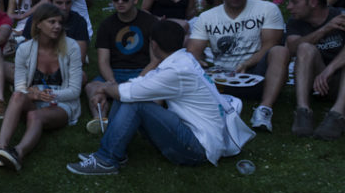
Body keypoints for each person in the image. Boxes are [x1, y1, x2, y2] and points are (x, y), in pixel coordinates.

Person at [68, 20, 253, 175]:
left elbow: (129, 92)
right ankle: (115, 151)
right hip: (200, 135)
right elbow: (137, 85)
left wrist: (104, 88)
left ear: (154, 45)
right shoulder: (182, 60)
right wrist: (109, 89)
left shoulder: (176, 70)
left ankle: (107, 159)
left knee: (134, 102)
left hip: (199, 148)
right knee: (127, 94)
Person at [187, 0, 288, 131]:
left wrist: (247, 63)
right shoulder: (207, 17)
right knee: (187, 62)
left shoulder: (267, 9)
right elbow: (193, 52)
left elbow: (271, 44)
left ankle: (264, 110)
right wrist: (198, 60)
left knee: (280, 51)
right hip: (222, 78)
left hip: (258, 74)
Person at [0, 4, 82, 171]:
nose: (57, 26)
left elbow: (75, 91)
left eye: (60, 22)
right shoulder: (25, 49)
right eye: (52, 22)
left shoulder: (71, 47)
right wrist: (34, 95)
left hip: (62, 102)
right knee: (17, 96)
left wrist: (51, 95)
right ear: (38, 24)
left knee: (35, 115)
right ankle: (1, 148)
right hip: (35, 97)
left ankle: (17, 153)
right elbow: (19, 87)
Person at [83, 0, 157, 125]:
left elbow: (155, 60)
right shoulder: (106, 25)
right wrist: (112, 83)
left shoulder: (150, 22)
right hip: (115, 72)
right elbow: (103, 61)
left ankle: (145, 122)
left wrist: (137, 81)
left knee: (156, 91)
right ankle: (100, 120)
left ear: (135, 0)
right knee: (91, 87)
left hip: (142, 72)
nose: (120, 2)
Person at [286, 0, 345, 140]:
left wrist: (329, 70)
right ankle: (303, 111)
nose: (289, 7)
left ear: (313, 2)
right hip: (317, 82)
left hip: (339, 79)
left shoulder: (340, 16)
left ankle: (337, 115)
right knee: (304, 47)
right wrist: (325, 29)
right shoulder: (295, 22)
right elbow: (292, 49)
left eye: (294, 2)